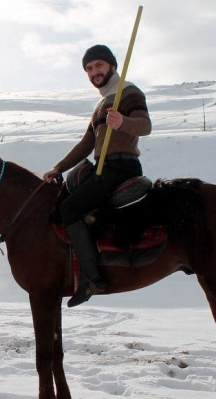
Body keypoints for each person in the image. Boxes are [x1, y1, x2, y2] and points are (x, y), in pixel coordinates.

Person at [42, 44, 152, 308]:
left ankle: (93, 279)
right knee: (62, 204)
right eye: (89, 68)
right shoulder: (102, 104)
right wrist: (58, 168)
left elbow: (146, 126)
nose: (94, 72)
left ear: (112, 66)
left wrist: (123, 123)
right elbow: (86, 144)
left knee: (70, 209)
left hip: (122, 167)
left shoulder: (129, 92)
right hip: (101, 167)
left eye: (99, 66)